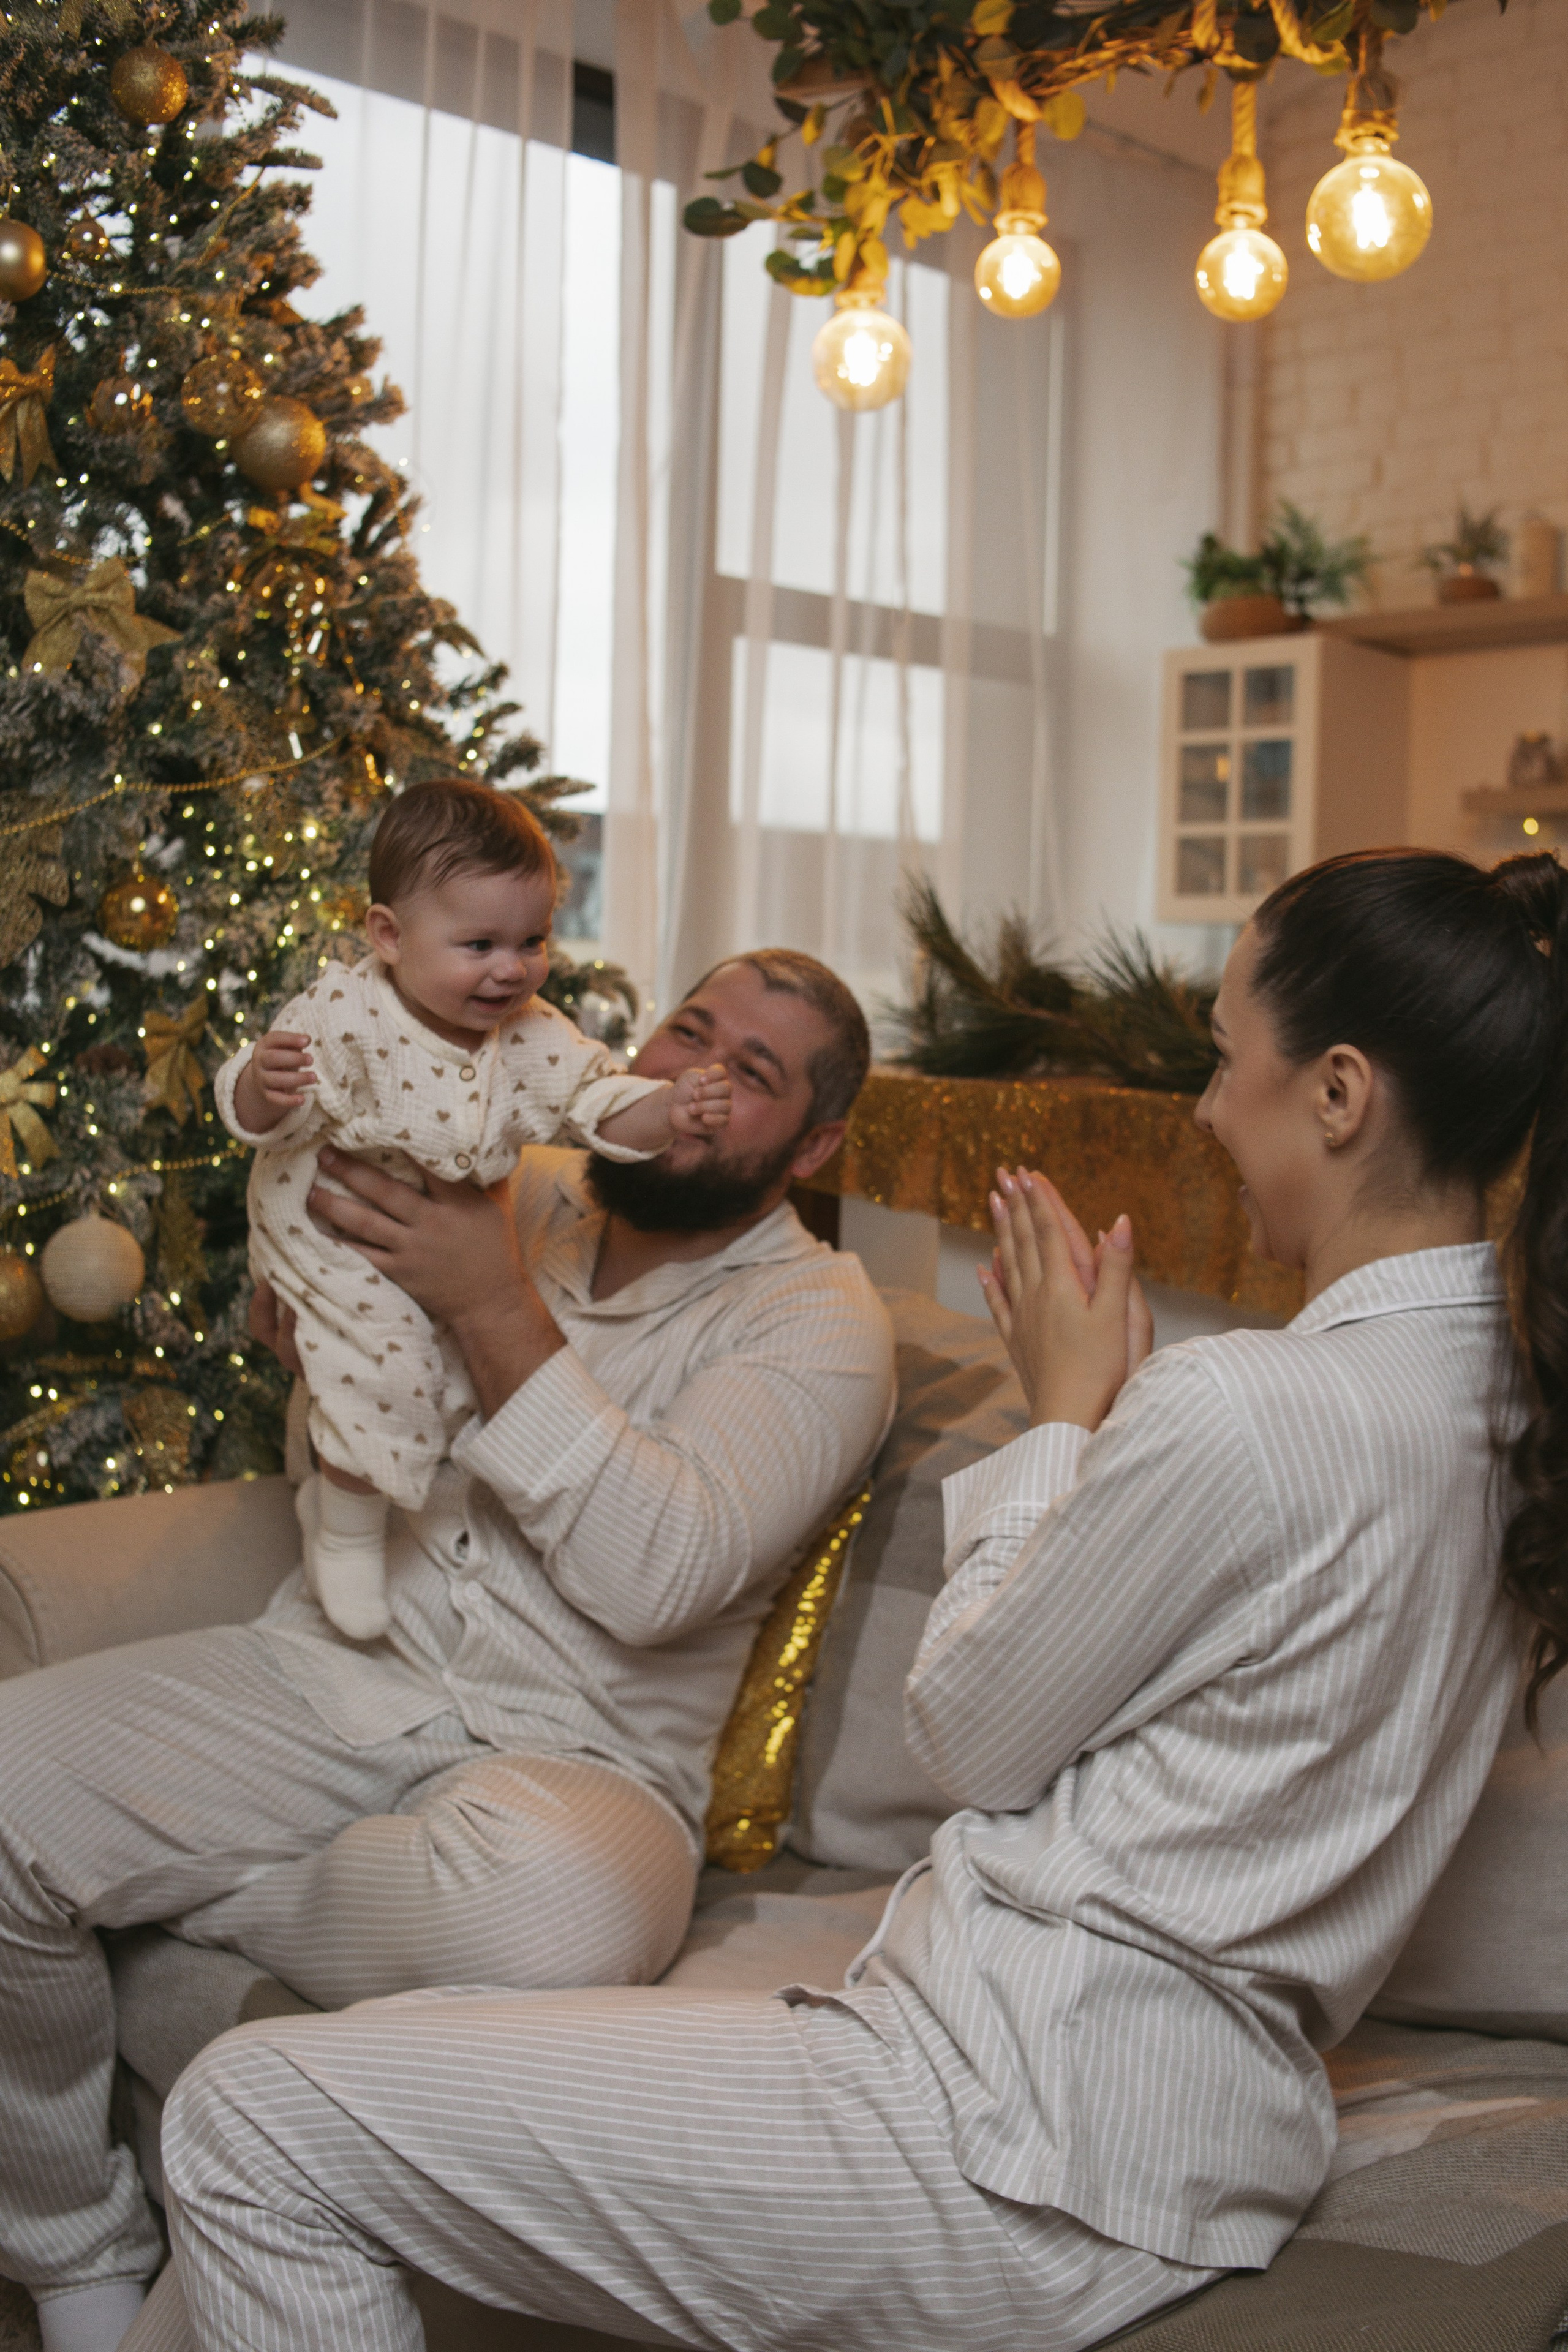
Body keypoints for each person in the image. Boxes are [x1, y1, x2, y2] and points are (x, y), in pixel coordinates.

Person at [130, 847, 1568, 2352]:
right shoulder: (1501, 1412)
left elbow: (966, 1734)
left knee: (253, 2117)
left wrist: (1065, 1411)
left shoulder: (1246, 1406)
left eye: (1222, 1061)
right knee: (389, 2069)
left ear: (1337, 1096)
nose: (1205, 1112)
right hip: (1165, 2130)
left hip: (1010, 2131)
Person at [0, 948, 895, 2352]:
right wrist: (307, 1340)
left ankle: (166, 1893)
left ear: (816, 1143)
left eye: (752, 1076)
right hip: (333, 1672)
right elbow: (324, 1292)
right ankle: (75, 2255)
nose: (690, 1082)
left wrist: (490, 1307)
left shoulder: (819, 1322)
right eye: (687, 1033)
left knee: (548, 1920)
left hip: (579, 1765)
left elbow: (654, 1576)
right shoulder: (506, 1181)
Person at [217, 779, 731, 1642]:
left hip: (431, 1233)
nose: (512, 967)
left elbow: (598, 1102)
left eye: (532, 940)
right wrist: (262, 1087)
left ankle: (327, 1487)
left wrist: (667, 1110)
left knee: (444, 1381)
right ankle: (346, 1535)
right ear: (389, 935)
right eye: (480, 943)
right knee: (385, 1357)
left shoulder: (532, 1033)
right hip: (324, 1215)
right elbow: (263, 1107)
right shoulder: (348, 1009)